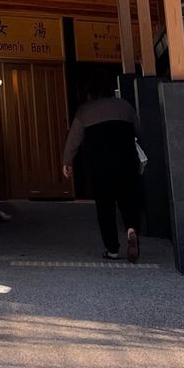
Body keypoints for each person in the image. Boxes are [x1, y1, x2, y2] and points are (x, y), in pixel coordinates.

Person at [62, 91, 143, 261]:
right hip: (127, 160)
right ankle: (131, 229)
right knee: (128, 198)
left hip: (100, 165)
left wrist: (67, 161)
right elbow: (138, 129)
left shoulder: (85, 111)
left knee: (105, 205)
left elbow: (74, 139)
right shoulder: (124, 105)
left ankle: (112, 249)